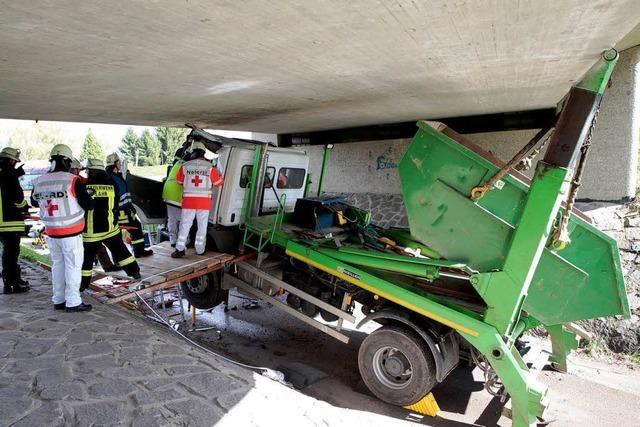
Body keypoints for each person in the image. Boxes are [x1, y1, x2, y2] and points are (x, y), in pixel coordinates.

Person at [31, 144, 94, 312]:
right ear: (66, 161)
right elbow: (89, 205)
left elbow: (33, 201)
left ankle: (58, 299)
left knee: (57, 266)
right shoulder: (73, 180)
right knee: (73, 267)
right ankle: (73, 301)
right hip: (71, 233)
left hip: (51, 233)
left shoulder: (39, 180)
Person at [80, 158, 141, 291]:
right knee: (122, 253)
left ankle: (82, 285)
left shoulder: (85, 185)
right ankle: (135, 272)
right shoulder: (112, 183)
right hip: (110, 229)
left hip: (91, 232)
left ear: (91, 170)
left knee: (87, 260)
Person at [171, 140, 223, 258]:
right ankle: (200, 250)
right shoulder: (210, 167)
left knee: (185, 225)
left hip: (188, 202)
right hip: (204, 203)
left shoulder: (184, 166)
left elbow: (179, 182)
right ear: (203, 152)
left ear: (192, 152)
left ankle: (179, 249)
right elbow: (219, 183)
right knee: (202, 226)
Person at [105, 153, 153, 257]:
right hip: (120, 211)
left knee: (135, 228)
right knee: (132, 229)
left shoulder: (115, 176)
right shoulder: (111, 179)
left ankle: (138, 252)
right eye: (119, 162)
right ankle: (137, 252)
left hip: (125, 209)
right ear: (114, 164)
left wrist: (130, 207)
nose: (120, 164)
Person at [0, 147, 30, 294]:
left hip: (2, 222)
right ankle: (11, 284)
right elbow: (17, 198)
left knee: (8, 253)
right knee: (11, 253)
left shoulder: (5, 173)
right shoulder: (10, 174)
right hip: (10, 221)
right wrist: (26, 208)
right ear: (11, 160)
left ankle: (13, 280)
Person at [162, 147, 187, 247]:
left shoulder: (176, 164)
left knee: (172, 219)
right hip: (178, 195)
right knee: (183, 220)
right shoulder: (186, 165)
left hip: (168, 194)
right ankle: (184, 242)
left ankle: (172, 240)